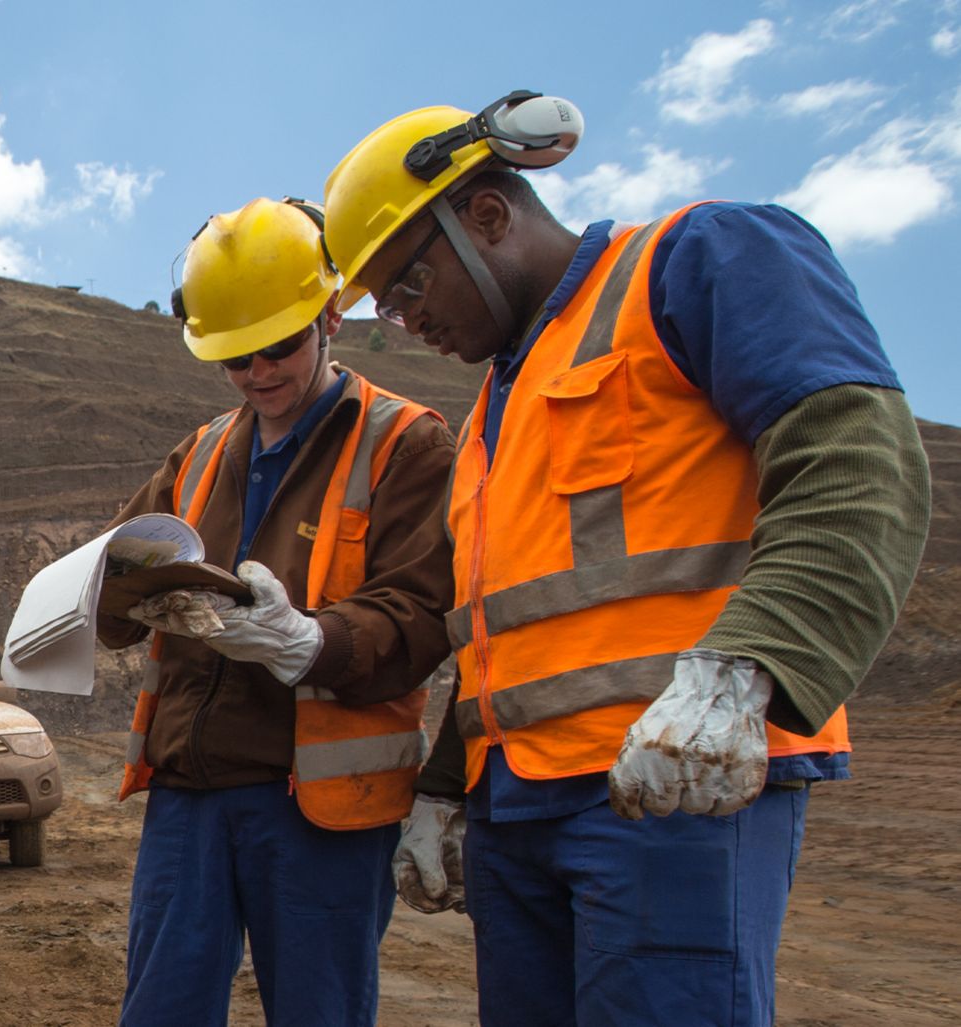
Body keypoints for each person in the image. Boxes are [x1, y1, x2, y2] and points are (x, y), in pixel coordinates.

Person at [320, 94, 931, 1026]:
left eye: (409, 286)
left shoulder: (696, 260)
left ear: (486, 215)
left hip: (669, 797)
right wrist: (447, 787)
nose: (405, 323)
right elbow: (509, 627)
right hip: (519, 811)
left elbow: (857, 466)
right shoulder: (492, 413)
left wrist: (744, 671)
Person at [95, 197, 457, 1026]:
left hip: (320, 806)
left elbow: (423, 614)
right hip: (189, 789)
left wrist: (309, 640)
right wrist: (95, 605)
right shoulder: (200, 452)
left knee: (319, 1010)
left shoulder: (406, 444)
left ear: (330, 315)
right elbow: (116, 570)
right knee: (161, 1009)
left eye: (281, 346)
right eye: (235, 358)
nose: (260, 372)